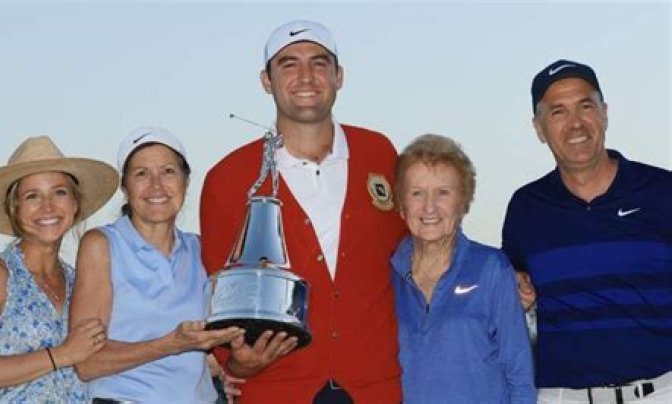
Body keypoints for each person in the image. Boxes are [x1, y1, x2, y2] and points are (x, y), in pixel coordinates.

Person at [200, 19, 407, 403]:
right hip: (276, 387)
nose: (306, 76)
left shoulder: (380, 154)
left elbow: (418, 251)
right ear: (266, 81)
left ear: (339, 76)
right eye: (289, 64)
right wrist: (235, 361)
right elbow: (215, 288)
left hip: (375, 385)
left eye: (319, 62)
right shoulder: (228, 178)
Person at [502, 59, 672, 403]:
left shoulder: (662, 191)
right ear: (539, 128)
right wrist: (514, 286)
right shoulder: (525, 208)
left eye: (585, 106)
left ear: (604, 113)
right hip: (562, 396)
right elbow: (510, 290)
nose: (576, 123)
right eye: (558, 112)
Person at [70, 126, 245, 403]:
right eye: (141, 174)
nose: (156, 186)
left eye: (168, 172)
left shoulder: (201, 249)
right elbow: (86, 363)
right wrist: (171, 344)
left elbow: (209, 349)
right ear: (125, 187)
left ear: (186, 182)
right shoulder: (102, 244)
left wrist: (226, 369)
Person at [0, 135, 118, 402]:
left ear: (75, 204)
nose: (48, 207)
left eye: (59, 192)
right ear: (15, 209)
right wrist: (62, 355)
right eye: (32, 196)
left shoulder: (80, 283)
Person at [390, 134, 536, 403]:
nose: (429, 206)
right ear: (401, 205)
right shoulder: (385, 278)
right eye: (417, 193)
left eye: (443, 193)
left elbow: (519, 375)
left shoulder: (492, 269)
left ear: (463, 203)